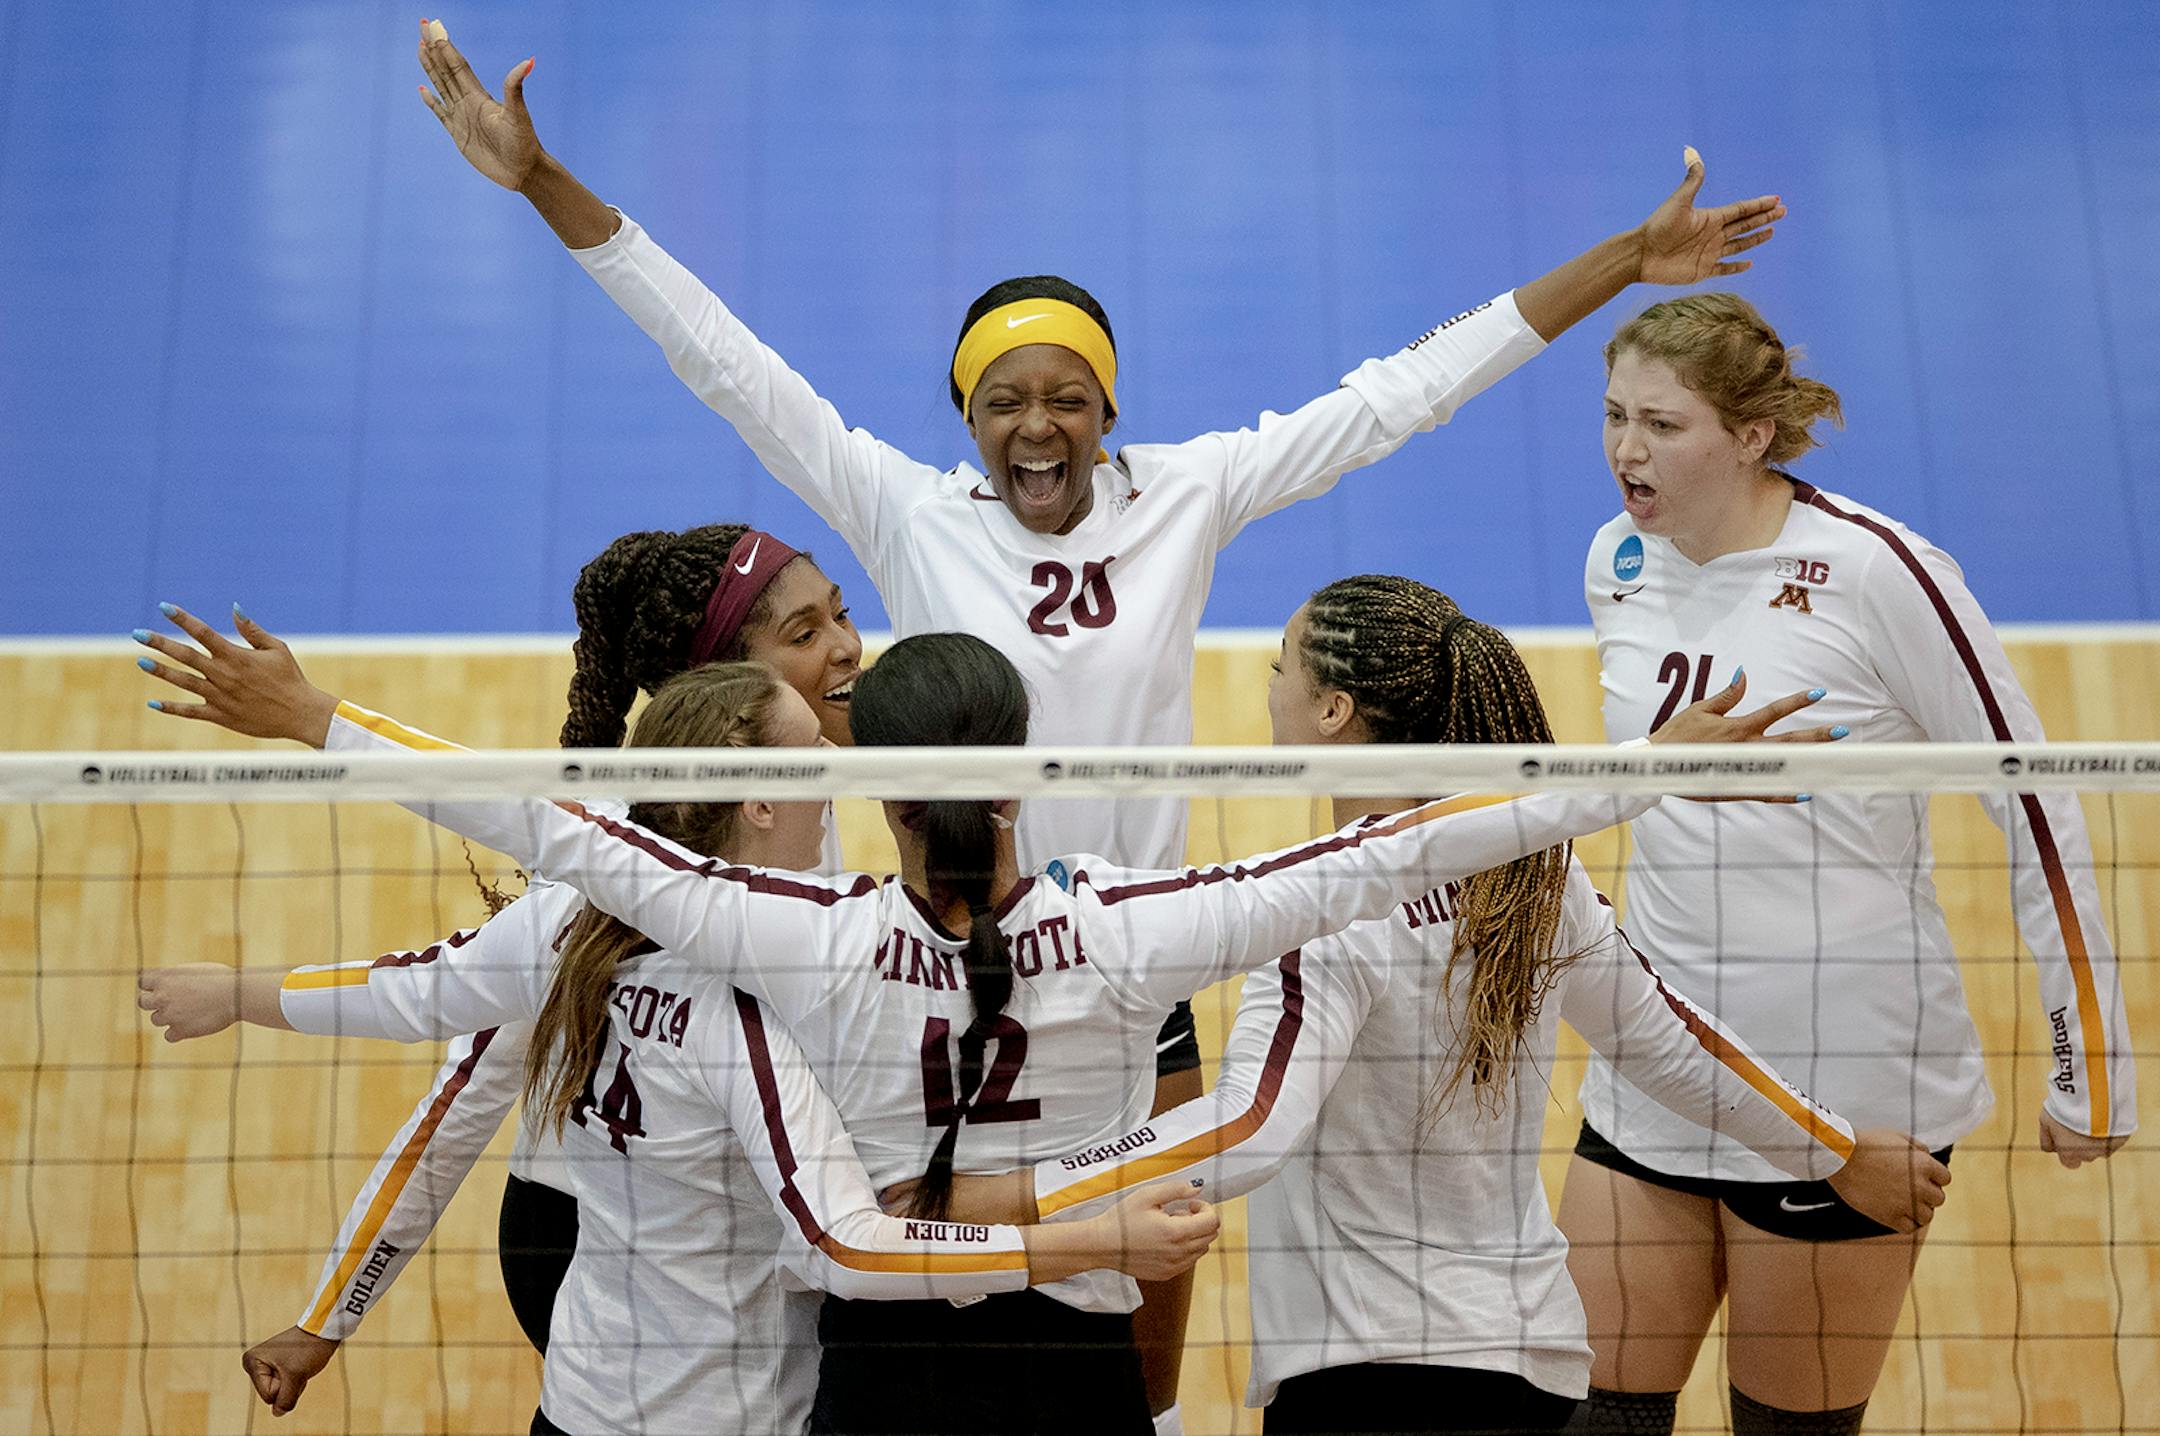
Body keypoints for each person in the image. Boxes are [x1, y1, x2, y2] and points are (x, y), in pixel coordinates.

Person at [413, 22, 1788, 1418]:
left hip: (1128, 959)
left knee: (1130, 1315)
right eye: (1003, 399)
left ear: (1106, 407)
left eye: (1066, 396)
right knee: (897, 1264)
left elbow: (1404, 396)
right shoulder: (900, 505)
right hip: (922, 963)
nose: (1036, 425)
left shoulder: (1187, 493)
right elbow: (719, 356)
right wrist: (544, 183)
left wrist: (1624, 257)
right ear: (967, 415)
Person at [131, 599, 1811, 1434]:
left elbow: (560, 829)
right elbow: (1390, 854)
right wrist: (1632, 776)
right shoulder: (1133, 929)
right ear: (1016, 762)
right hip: (1070, 1363)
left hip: (872, 1370)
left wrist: (320, 720)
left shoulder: (791, 937)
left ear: (870, 778)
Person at [890, 575, 1947, 1436]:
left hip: (1366, 1376)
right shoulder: (1540, 876)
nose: (1268, 688)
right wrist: (1835, 1148)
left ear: (1334, 712)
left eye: (1280, 670)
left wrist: (1017, 1192)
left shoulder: (1320, 916)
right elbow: (1672, 1049)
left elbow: (1249, 1130)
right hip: (1529, 1362)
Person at [140, 661, 1218, 1436]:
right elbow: (858, 1232)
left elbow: (416, 991)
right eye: (818, 755)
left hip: (585, 1397)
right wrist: (1092, 1226)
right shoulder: (772, 985)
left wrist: (239, 991)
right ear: (761, 796)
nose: (842, 766)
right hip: (749, 1404)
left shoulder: (571, 928)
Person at [1558, 293, 2138, 1435]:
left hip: (1848, 1081)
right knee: (1593, 1420)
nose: (1629, 447)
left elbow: (2033, 797)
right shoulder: (1617, 558)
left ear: (1752, 435)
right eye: (1616, 414)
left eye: (1665, 424)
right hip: (1663, 1062)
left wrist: (2092, 1055)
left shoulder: (1879, 572)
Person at [132, 522, 860, 1395]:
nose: (852, 648)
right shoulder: (602, 889)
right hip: (584, 1232)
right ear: (729, 689)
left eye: (842, 614)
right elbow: (458, 1093)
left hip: (717, 1216)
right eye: (807, 633)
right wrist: (331, 1313)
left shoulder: (796, 793)